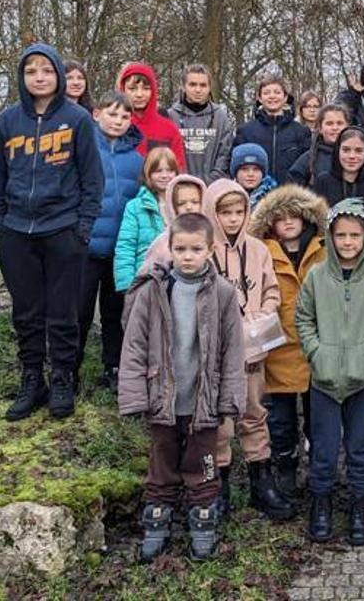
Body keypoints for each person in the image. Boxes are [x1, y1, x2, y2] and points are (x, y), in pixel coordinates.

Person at [118, 212, 246, 562]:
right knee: (161, 461)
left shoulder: (222, 294)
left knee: (204, 463)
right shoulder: (153, 290)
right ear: (169, 248)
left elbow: (233, 350)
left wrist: (229, 399)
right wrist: (133, 396)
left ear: (210, 249)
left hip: (203, 401)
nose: (187, 256)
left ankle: (203, 518)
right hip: (163, 398)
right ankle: (157, 519)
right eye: (180, 249)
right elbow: (134, 345)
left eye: (195, 249)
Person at [0, 43, 104, 422]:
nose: (39, 77)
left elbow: (92, 179)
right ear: (22, 78)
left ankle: (61, 378)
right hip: (16, 231)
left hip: (63, 229)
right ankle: (32, 378)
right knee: (27, 312)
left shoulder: (78, 119)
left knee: (63, 312)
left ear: (58, 75)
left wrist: (81, 229)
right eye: (31, 71)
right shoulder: (6, 122)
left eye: (46, 70)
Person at [297, 199, 364, 547]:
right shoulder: (316, 276)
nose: (348, 242)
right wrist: (316, 352)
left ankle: (358, 504)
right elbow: (304, 319)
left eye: (355, 235)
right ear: (330, 236)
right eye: (341, 235)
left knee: (359, 446)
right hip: (323, 379)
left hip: (362, 379)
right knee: (323, 448)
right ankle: (320, 503)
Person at [201, 179, 291, 521]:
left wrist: (262, 315)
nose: (234, 219)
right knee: (220, 422)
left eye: (240, 212)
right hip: (218, 355)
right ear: (213, 213)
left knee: (255, 414)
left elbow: (271, 290)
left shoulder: (258, 249)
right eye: (225, 213)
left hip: (253, 350)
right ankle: (216, 486)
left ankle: (261, 482)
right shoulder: (205, 251)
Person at [248, 184, 329, 498]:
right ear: (271, 224)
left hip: (314, 350)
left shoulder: (324, 249)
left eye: (295, 215)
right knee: (280, 421)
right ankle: (285, 470)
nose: (289, 222)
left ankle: (318, 472)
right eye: (281, 217)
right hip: (277, 350)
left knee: (317, 419)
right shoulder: (262, 253)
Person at [78, 91, 143, 392]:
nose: (118, 121)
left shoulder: (137, 159)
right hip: (86, 246)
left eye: (125, 116)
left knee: (114, 311)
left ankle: (114, 365)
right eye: (112, 113)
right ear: (96, 114)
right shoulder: (84, 148)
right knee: (78, 309)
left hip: (120, 249)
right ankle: (69, 367)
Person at [114, 147, 180, 293]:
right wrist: (128, 285)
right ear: (148, 174)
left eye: (169, 170)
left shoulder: (184, 204)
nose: (164, 176)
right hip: (145, 282)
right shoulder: (135, 207)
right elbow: (126, 247)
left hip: (179, 282)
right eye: (158, 171)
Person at [312, 126, 364, 258]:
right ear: (337, 151)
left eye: (358, 151)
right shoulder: (324, 181)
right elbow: (315, 225)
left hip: (361, 259)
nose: (352, 156)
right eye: (346, 150)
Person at [234, 73, 312, 184]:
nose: (272, 96)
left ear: (285, 97)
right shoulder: (245, 131)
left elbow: (308, 169)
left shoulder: (301, 132)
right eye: (266, 93)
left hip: (291, 196)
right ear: (259, 98)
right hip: (256, 196)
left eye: (277, 92)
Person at [167, 63, 236, 182]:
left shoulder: (220, 117)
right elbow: (167, 156)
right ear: (183, 87)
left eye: (203, 85)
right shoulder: (170, 117)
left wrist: (209, 180)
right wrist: (183, 181)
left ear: (209, 88)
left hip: (213, 186)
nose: (198, 90)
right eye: (192, 84)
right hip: (179, 186)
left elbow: (225, 155)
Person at [117, 62, 186, 165]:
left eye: (146, 89)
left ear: (153, 91)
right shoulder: (113, 126)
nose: (139, 94)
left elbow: (178, 169)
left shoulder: (169, 129)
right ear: (123, 89)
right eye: (132, 89)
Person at [140, 174, 208, 269]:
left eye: (195, 202)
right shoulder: (161, 244)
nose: (189, 207)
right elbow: (145, 277)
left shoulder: (210, 237)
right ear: (172, 206)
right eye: (181, 203)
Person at [288, 104, 351, 187]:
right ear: (320, 128)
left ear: (347, 126)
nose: (335, 128)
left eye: (340, 123)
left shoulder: (357, 156)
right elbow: (293, 191)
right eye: (329, 123)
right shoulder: (309, 159)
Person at [230, 143, 278, 208]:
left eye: (256, 169)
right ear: (236, 173)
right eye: (244, 169)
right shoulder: (224, 197)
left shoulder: (276, 200)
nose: (250, 174)